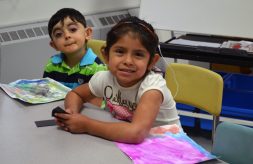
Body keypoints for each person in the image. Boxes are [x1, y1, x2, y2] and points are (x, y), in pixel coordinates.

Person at [55, 16, 181, 144]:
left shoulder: (152, 88)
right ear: (106, 55)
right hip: (130, 145)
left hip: (171, 146)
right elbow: (76, 94)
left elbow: (136, 134)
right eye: (120, 51)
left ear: (151, 62)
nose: (128, 61)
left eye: (138, 54)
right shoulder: (104, 78)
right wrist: (71, 112)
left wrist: (86, 125)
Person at [43, 8, 107, 89]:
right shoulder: (52, 64)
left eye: (73, 29)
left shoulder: (97, 68)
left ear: (87, 33)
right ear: (54, 45)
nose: (67, 35)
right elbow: (46, 92)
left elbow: (98, 100)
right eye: (59, 34)